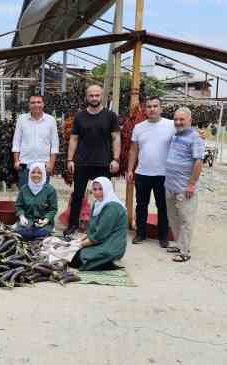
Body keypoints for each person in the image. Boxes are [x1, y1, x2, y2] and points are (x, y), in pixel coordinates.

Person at [65, 85, 121, 237]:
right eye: (91, 95)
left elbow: (116, 138)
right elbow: (74, 138)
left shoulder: (110, 116)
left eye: (97, 95)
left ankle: (103, 226)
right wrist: (70, 159)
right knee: (77, 195)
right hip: (82, 162)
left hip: (103, 162)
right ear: (87, 97)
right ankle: (73, 225)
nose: (94, 98)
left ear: (102, 96)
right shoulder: (80, 116)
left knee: (104, 196)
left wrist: (116, 159)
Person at [126, 96, 173, 247]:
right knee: (141, 205)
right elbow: (133, 150)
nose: (152, 109)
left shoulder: (171, 125)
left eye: (155, 106)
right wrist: (130, 169)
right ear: (145, 109)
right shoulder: (139, 127)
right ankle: (140, 233)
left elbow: (185, 138)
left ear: (161, 108)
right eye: (149, 106)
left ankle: (163, 236)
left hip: (163, 174)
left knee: (163, 206)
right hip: (142, 173)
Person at [164, 107, 204, 262]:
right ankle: (179, 243)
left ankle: (185, 251)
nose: (178, 122)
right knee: (173, 217)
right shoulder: (175, 135)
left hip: (184, 187)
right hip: (170, 185)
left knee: (186, 218)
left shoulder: (196, 138)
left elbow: (198, 162)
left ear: (190, 121)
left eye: (182, 119)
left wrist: (191, 184)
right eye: (176, 120)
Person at [70, 177, 128, 270]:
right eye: (95, 189)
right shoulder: (98, 203)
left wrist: (79, 245)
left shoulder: (112, 207)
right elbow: (92, 228)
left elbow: (100, 234)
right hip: (101, 241)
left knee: (75, 259)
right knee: (70, 253)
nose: (97, 192)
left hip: (112, 246)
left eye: (101, 189)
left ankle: (108, 261)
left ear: (107, 189)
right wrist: (79, 241)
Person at [11, 95, 60, 187]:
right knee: (25, 193)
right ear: (29, 105)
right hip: (24, 164)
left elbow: (54, 144)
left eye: (39, 102)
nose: (36, 105)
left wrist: (51, 164)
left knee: (42, 195)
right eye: (33, 102)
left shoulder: (51, 120)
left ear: (43, 104)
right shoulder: (21, 119)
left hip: (44, 165)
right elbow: (16, 142)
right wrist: (16, 161)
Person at [14, 163, 58, 241]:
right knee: (21, 234)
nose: (36, 175)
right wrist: (22, 217)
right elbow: (18, 206)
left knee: (41, 236)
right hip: (27, 222)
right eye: (33, 172)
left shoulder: (50, 190)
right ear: (29, 174)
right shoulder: (24, 189)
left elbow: (53, 209)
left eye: (39, 172)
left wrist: (45, 220)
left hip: (43, 223)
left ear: (43, 174)